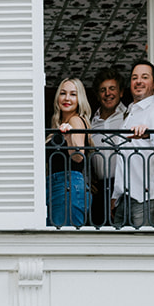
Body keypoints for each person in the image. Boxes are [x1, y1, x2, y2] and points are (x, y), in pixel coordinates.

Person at [111, 60, 154, 228]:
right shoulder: (129, 114)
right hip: (123, 199)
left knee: (147, 243)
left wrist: (150, 134)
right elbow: (122, 159)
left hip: (147, 198)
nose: (138, 81)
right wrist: (115, 194)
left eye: (144, 77)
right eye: (134, 78)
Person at [47, 74, 91, 227]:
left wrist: (69, 136)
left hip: (67, 186)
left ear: (80, 99)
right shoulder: (60, 123)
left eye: (73, 94)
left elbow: (78, 156)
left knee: (63, 237)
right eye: (63, 93)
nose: (67, 98)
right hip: (59, 186)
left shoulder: (75, 120)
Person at [87, 66, 129, 223]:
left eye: (112, 88)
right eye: (103, 90)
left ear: (121, 92)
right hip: (98, 190)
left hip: (123, 186)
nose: (108, 93)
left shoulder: (129, 117)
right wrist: (87, 178)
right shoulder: (91, 123)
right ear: (98, 96)